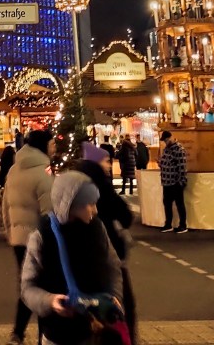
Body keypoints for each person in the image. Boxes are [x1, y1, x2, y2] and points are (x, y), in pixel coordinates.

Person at [21, 171, 124, 345]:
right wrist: (50, 301)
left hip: (98, 330)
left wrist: (114, 296)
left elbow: (113, 267)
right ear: (71, 204)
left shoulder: (97, 229)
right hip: (57, 334)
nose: (95, 209)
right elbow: (27, 288)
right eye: (89, 204)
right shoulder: (42, 236)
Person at [78, 143, 136, 344]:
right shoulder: (101, 185)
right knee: (119, 303)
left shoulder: (75, 182)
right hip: (108, 254)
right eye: (106, 160)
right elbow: (125, 214)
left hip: (80, 258)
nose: (110, 165)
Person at [2, 129, 54, 345]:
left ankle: (18, 332)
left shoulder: (14, 169)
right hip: (39, 239)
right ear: (43, 146)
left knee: (27, 285)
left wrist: (10, 232)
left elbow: (4, 205)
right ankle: (44, 335)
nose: (54, 148)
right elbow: (50, 212)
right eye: (51, 144)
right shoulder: (44, 171)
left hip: (18, 238)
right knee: (45, 286)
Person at [159, 130, 187, 234]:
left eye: (166, 140)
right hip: (166, 182)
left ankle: (183, 225)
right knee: (167, 204)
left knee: (180, 204)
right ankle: (168, 224)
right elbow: (166, 162)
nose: (165, 142)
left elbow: (182, 167)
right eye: (164, 140)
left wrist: (181, 181)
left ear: (171, 137)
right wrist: (161, 164)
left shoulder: (179, 149)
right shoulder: (166, 149)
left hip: (175, 182)